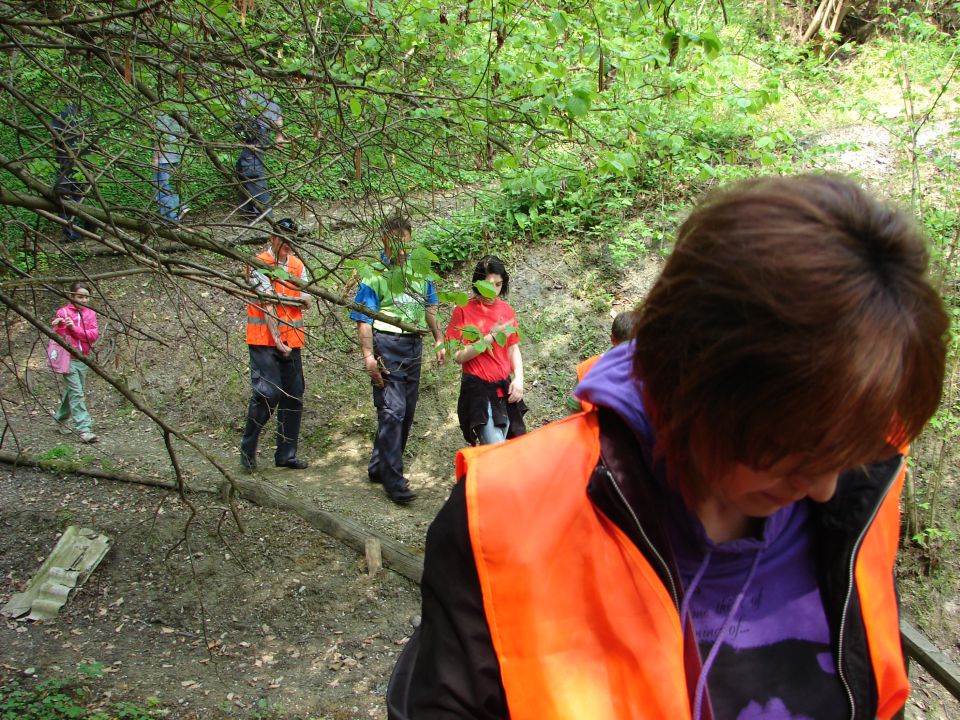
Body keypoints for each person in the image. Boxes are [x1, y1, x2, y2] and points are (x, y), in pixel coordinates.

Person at [386, 174, 949, 719]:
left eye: (845, 450)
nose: (826, 486)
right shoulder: (506, 519)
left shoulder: (860, 496)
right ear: (695, 370)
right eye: (797, 446)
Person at [350, 216, 445, 504]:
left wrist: (439, 337)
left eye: (404, 239)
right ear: (384, 240)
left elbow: (430, 307)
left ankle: (380, 466)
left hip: (413, 346)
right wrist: (368, 357)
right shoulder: (374, 275)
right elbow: (364, 320)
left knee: (407, 412)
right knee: (393, 411)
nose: (401, 246)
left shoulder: (421, 272)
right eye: (394, 240)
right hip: (386, 345)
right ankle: (394, 478)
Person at [240, 218, 310, 471]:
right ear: (272, 237)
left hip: (293, 339)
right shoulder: (259, 264)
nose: (288, 243)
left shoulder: (298, 265)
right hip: (264, 341)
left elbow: (307, 299)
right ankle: (248, 449)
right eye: (283, 237)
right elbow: (266, 302)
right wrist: (277, 340)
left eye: (292, 237)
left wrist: (284, 299)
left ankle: (286, 454)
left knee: (294, 394)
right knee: (267, 394)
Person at [445, 255, 526, 446]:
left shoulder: (506, 310)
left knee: (512, 449)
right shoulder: (463, 310)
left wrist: (519, 378)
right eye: (490, 284)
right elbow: (457, 356)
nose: (494, 290)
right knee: (495, 448)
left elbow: (513, 348)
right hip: (478, 392)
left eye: (499, 284)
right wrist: (489, 337)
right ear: (478, 282)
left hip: (505, 390)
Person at [52, 282, 100, 443]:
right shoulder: (63, 312)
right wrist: (60, 326)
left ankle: (60, 419)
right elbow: (59, 336)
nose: (84, 300)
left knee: (73, 391)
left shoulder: (90, 313)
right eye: (80, 296)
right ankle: (84, 429)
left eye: (86, 297)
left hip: (83, 358)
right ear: (71, 296)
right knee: (77, 392)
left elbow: (92, 335)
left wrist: (75, 329)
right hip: (68, 358)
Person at [575, 309, 638, 413]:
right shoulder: (652, 369)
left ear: (612, 339)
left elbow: (574, 411)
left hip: (593, 426)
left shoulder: (587, 367)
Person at [235, 91, 283, 223]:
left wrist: (279, 136)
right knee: (241, 168)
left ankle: (263, 213)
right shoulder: (266, 91)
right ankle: (249, 211)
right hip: (258, 132)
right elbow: (278, 114)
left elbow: (241, 116)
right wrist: (279, 136)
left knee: (252, 169)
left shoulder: (248, 90)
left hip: (256, 131)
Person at [51, 105, 94, 243]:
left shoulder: (61, 114)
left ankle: (72, 232)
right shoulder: (85, 111)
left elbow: (56, 136)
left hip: (66, 161)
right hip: (83, 162)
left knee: (62, 196)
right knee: (77, 196)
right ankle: (83, 228)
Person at [154, 111, 188, 223]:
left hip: (165, 154)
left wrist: (156, 156)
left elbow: (160, 134)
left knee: (161, 188)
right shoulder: (182, 108)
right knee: (170, 185)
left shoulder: (163, 109)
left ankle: (171, 219)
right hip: (178, 152)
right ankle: (181, 207)